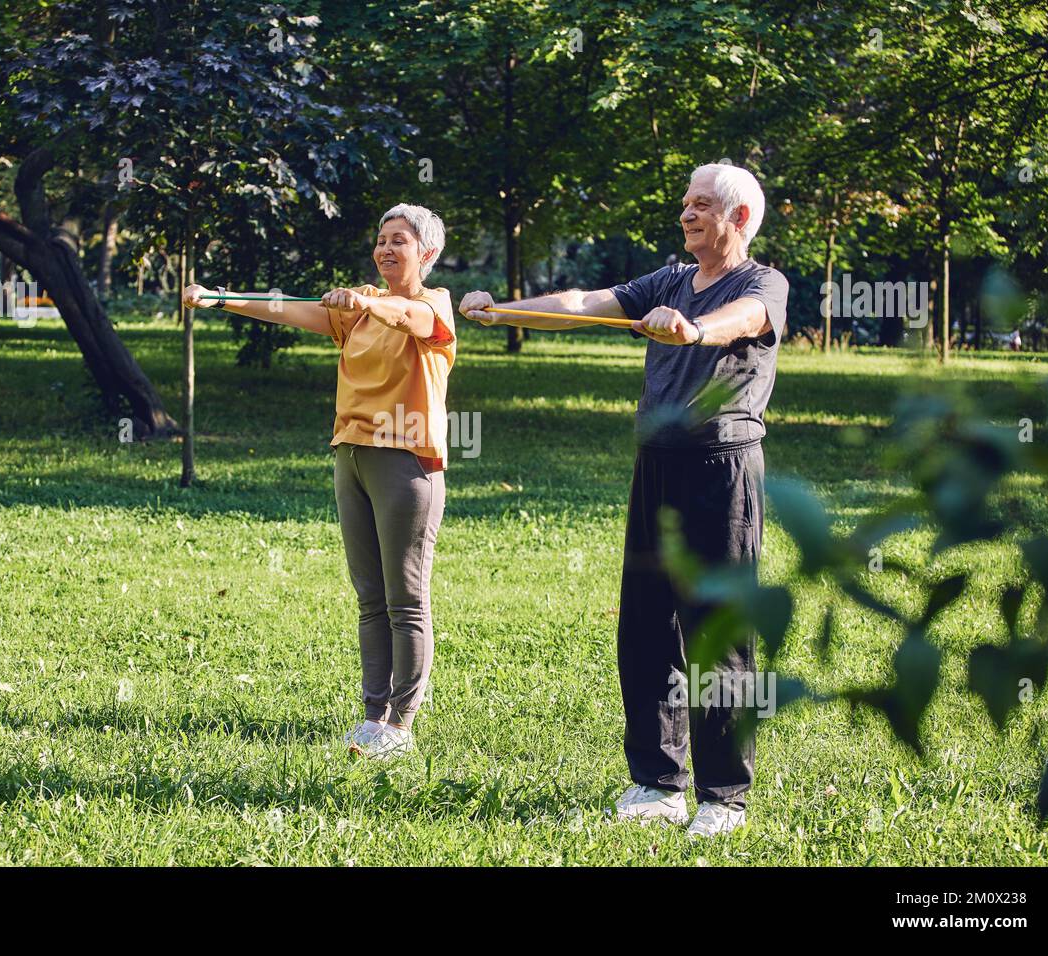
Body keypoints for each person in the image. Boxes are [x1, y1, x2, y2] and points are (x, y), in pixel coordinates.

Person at [459, 163, 789, 838]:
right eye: (686, 204)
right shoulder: (668, 281)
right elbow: (585, 302)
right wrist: (504, 310)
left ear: (739, 219)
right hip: (656, 465)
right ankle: (657, 783)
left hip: (721, 467)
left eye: (701, 206)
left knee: (717, 631)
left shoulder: (761, 283)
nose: (686, 214)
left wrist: (693, 331)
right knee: (645, 628)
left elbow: (744, 319)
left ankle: (723, 796)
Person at [182, 204, 455, 760]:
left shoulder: (433, 305)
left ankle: (400, 726)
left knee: (406, 598)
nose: (385, 250)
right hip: (350, 455)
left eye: (398, 241)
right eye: (380, 239)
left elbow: (409, 320)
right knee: (369, 597)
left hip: (405, 461)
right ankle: (371, 715)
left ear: (425, 253)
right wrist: (220, 297)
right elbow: (287, 310)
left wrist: (366, 304)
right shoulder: (359, 306)